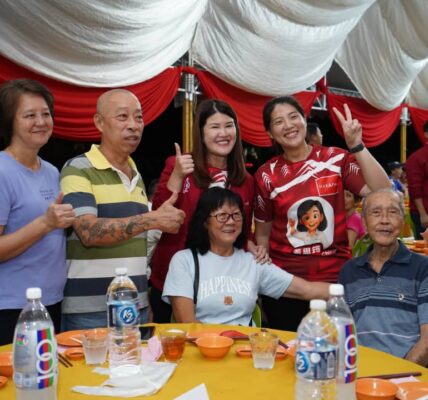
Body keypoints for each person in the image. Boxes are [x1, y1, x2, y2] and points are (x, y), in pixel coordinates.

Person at [254, 96, 391, 331]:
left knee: (336, 348)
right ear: (269, 132)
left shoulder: (335, 159)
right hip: (286, 285)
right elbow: (263, 235)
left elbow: (383, 192)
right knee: (288, 350)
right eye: (278, 121)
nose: (288, 125)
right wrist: (262, 281)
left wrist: (357, 145)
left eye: (293, 117)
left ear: (304, 119)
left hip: (335, 283)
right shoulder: (266, 175)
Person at [60, 89, 185, 331]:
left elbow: (135, 247)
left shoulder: (135, 173)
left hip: (134, 305)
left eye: (138, 118)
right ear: (99, 122)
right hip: (91, 310)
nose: (133, 126)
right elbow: (88, 232)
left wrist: (143, 298)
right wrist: (151, 219)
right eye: (122, 117)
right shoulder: (78, 168)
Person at [150, 99, 268, 323]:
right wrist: (177, 176)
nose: (223, 133)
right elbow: (159, 214)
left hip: (221, 285)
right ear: (201, 133)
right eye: (215, 127)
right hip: (175, 280)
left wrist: (252, 244)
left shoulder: (246, 181)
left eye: (229, 125)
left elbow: (243, 229)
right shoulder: (179, 165)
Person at [163, 187, 330, 325]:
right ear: (205, 222)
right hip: (201, 348)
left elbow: (307, 290)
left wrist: (344, 289)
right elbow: (187, 322)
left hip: (244, 349)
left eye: (236, 215)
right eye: (222, 215)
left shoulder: (253, 262)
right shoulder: (185, 261)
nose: (230, 221)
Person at [0, 79, 75, 345]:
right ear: (10, 121)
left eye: (45, 114)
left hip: (52, 301)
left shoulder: (52, 171)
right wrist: (45, 223)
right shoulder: (2, 171)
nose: (41, 122)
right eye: (30, 115)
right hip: (11, 308)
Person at [339, 189, 428, 366]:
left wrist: (399, 375)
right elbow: (340, 333)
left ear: (402, 220)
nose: (384, 220)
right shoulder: (349, 271)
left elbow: (426, 341)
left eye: (393, 212)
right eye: (376, 212)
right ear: (364, 222)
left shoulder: (423, 268)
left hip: (407, 372)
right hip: (360, 371)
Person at [406, 121, 428, 239]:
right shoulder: (417, 158)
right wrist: (423, 214)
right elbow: (415, 188)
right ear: (426, 134)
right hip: (424, 213)